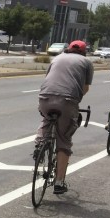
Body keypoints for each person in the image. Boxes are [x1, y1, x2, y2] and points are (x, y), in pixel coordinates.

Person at [34, 40, 93, 195]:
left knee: (47, 119)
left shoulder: (57, 58)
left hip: (45, 97)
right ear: (84, 51)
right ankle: (59, 182)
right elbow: (85, 88)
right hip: (67, 100)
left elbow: (49, 78)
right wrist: (74, 101)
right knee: (64, 140)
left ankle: (40, 143)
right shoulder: (86, 62)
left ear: (68, 49)